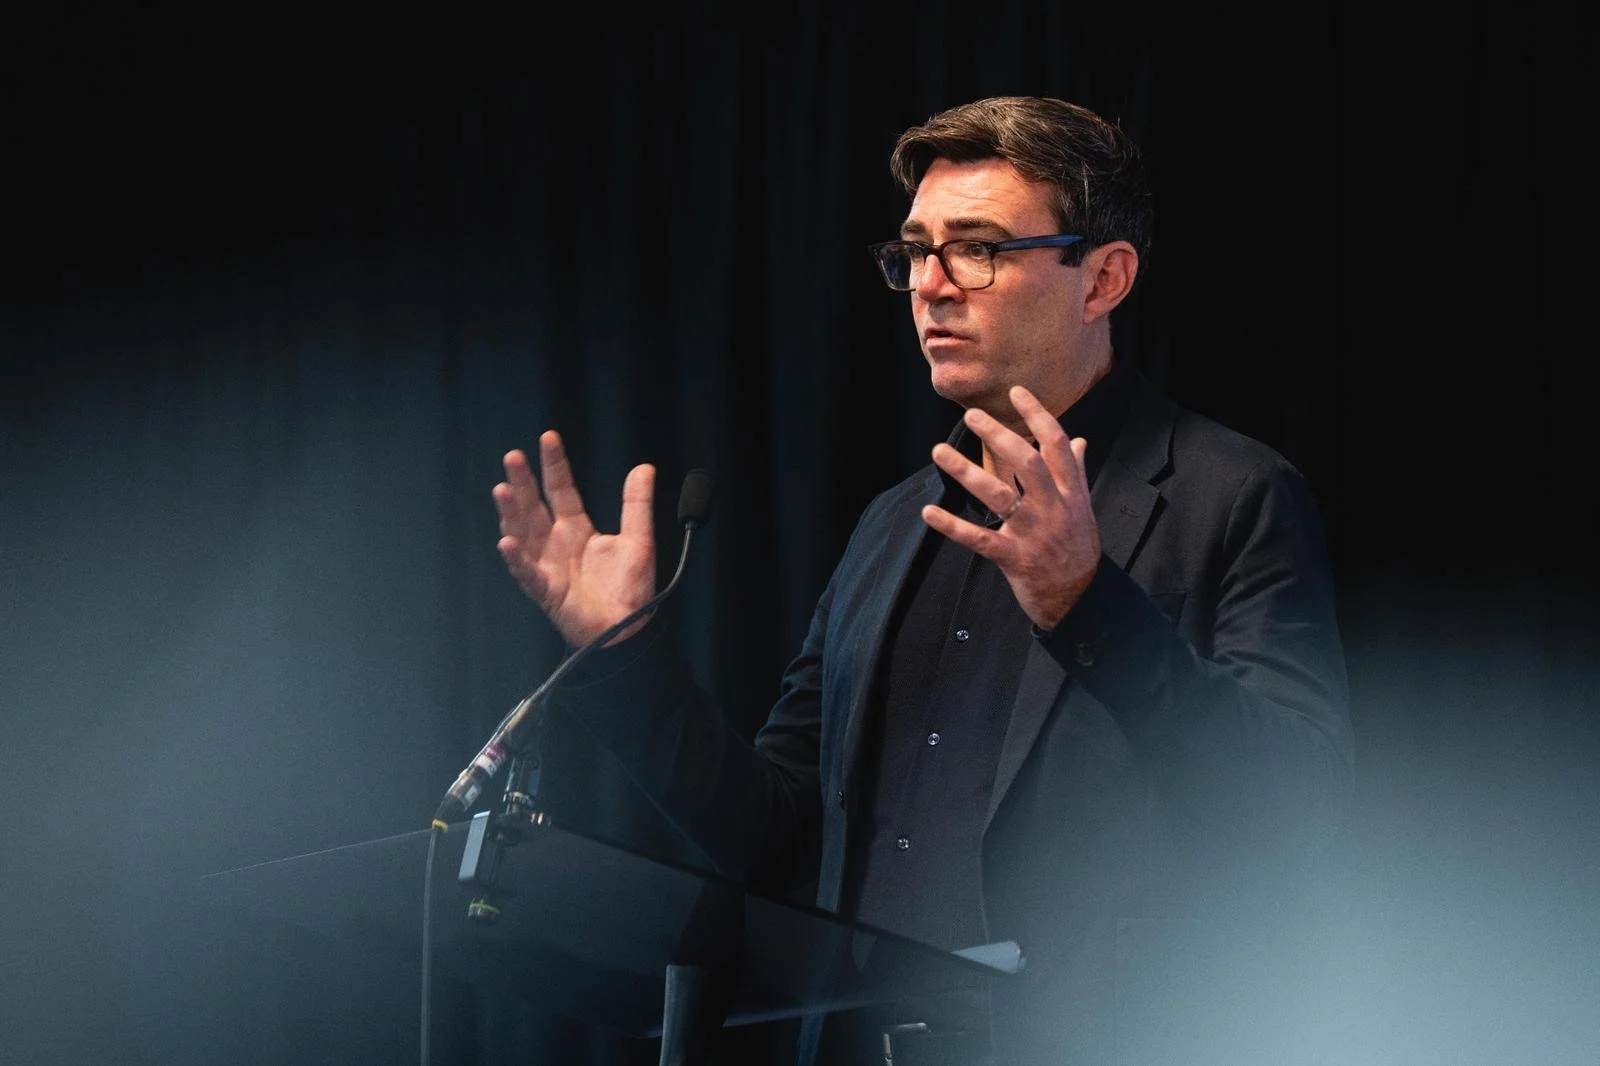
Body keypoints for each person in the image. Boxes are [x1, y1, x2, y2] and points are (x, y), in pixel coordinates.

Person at [491, 96, 1354, 1065]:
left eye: (978, 248)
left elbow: (1295, 800)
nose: (932, 286)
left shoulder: (1229, 493)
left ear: (1103, 278)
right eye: (914, 251)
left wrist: (1085, 602)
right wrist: (623, 657)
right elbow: (773, 836)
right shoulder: (890, 525)